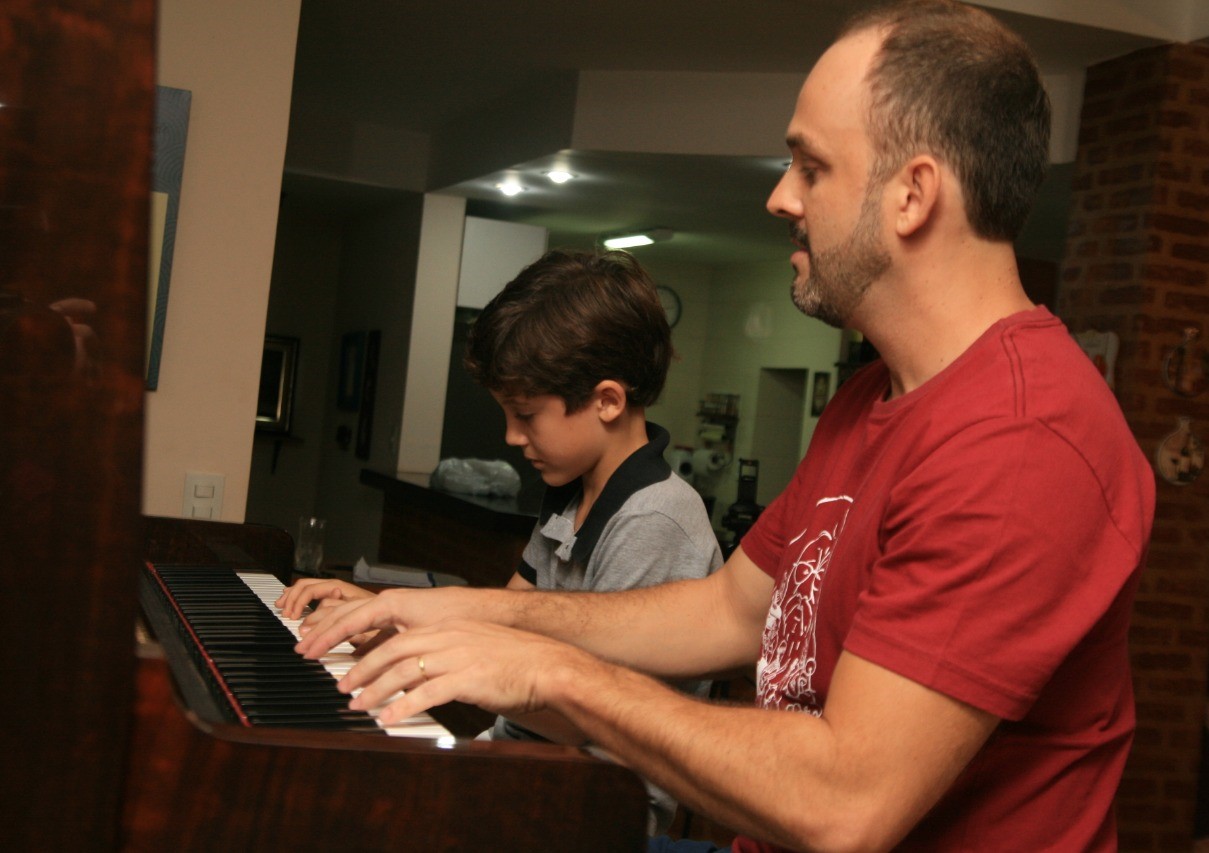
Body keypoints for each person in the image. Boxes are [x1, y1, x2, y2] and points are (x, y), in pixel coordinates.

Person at [294, 2, 1155, 850]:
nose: (780, 197)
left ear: (911, 194)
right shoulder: (871, 397)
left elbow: (844, 802)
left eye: (809, 167)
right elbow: (729, 609)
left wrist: (548, 669)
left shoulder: (1019, 438)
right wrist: (459, 616)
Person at [278, 248, 723, 833]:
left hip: (591, 809)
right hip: (515, 763)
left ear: (607, 401)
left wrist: (438, 663)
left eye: (526, 414)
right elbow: (503, 623)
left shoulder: (655, 521)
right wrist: (382, 621)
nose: (512, 436)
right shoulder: (572, 488)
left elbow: (609, 723)